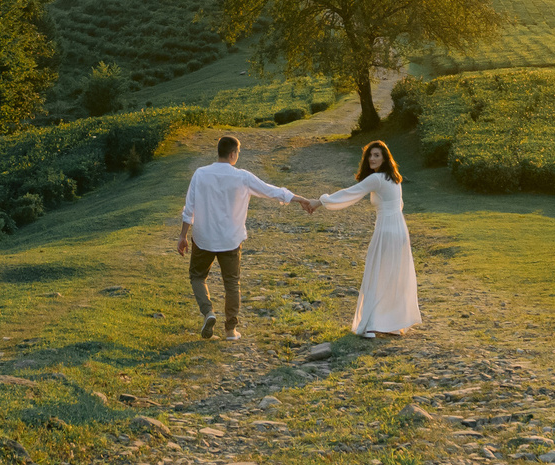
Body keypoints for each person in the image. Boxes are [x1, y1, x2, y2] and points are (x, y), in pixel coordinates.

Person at [175, 134, 316, 340]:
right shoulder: (242, 176)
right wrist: (300, 199)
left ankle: (208, 312)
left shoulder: (200, 173)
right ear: (233, 154)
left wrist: (182, 236)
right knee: (231, 283)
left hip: (203, 238)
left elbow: (189, 208)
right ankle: (231, 330)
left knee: (197, 276)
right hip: (230, 240)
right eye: (238, 153)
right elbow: (272, 191)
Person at [314, 139, 420, 338]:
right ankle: (393, 323)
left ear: (385, 158)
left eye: (377, 155)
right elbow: (400, 204)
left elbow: (350, 193)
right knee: (393, 274)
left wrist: (321, 201)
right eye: (370, 155)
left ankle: (371, 325)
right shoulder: (394, 178)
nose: (372, 159)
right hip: (399, 229)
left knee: (377, 273)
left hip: (387, 229)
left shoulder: (377, 179)